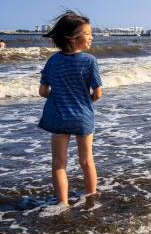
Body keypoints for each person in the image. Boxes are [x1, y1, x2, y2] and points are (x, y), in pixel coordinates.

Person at [38, 11, 103, 211]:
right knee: (86, 161)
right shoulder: (89, 61)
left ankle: (63, 203)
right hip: (82, 116)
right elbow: (98, 93)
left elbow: (43, 91)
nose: (92, 36)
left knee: (59, 163)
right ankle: (91, 198)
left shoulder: (52, 61)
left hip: (58, 117)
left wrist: (59, 97)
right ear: (73, 38)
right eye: (88, 33)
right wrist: (85, 101)